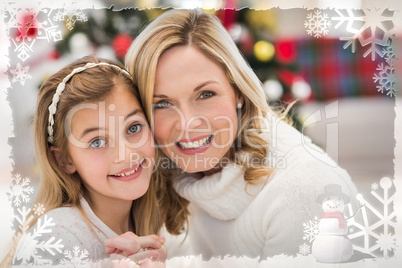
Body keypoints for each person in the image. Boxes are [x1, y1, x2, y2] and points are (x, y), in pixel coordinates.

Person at [124, 9, 359, 262]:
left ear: (238, 91)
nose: (188, 124)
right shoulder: (170, 175)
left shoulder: (305, 190)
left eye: (205, 94)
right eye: (161, 104)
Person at [6, 56, 166, 267]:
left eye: (133, 128)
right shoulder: (55, 239)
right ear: (64, 160)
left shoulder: (154, 218)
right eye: (97, 141)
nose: (126, 154)